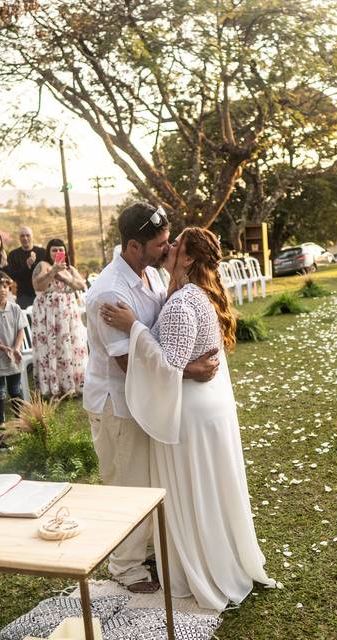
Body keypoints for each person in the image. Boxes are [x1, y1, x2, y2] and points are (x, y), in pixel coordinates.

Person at [101, 227, 277, 610]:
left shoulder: (182, 304)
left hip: (189, 417)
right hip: (200, 410)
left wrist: (132, 325)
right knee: (206, 493)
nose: (169, 247)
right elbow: (179, 360)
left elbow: (167, 364)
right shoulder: (186, 295)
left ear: (190, 259)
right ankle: (215, 558)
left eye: (176, 244)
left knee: (194, 494)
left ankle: (200, 568)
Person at [84, 203, 219, 593]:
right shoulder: (110, 292)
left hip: (146, 397)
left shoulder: (153, 275)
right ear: (132, 246)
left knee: (149, 481)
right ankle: (125, 567)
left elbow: (160, 337)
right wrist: (189, 370)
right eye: (160, 244)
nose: (168, 248)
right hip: (119, 402)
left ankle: (147, 554)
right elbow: (130, 364)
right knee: (128, 483)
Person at [31, 239, 88, 396]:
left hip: (68, 313)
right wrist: (53, 272)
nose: (57, 253)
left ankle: (72, 386)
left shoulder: (70, 268)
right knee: (52, 347)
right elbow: (38, 286)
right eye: (54, 250)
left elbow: (81, 285)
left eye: (60, 250)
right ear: (48, 252)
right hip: (48, 314)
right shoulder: (43, 265)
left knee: (69, 347)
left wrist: (65, 278)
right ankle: (53, 387)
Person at [0, 270, 28, 424]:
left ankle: (21, 421)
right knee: (0, 392)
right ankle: (0, 422)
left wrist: (16, 348)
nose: (2, 290)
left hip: (13, 359)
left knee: (16, 390)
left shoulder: (14, 308)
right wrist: (3, 348)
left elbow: (20, 330)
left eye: (5, 286)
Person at [7, 226, 47, 308]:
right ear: (19, 238)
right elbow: (13, 276)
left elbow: (46, 272)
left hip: (42, 293)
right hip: (23, 296)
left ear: (32, 236)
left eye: (27, 235)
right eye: (22, 236)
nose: (25, 238)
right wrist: (27, 266)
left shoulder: (43, 252)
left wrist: (33, 264)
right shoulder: (13, 255)